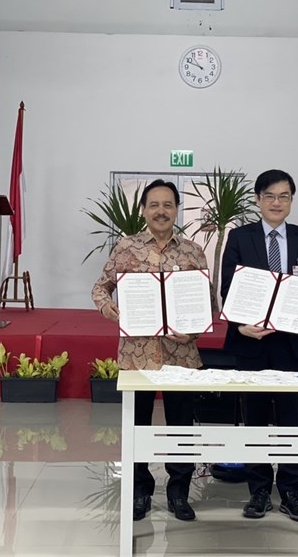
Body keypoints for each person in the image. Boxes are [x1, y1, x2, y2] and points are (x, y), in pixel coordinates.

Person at [91, 179, 208, 523]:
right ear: (143, 210)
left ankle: (179, 492)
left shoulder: (192, 252)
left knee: (181, 427)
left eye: (168, 204)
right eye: (154, 204)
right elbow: (100, 288)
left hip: (181, 356)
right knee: (138, 424)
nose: (161, 211)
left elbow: (206, 303)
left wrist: (196, 329)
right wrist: (112, 310)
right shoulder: (126, 248)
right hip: (136, 355)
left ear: (176, 210)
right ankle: (140, 490)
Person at [220, 169, 298, 523]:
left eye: (284, 196)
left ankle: (292, 490)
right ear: (257, 199)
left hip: (292, 346)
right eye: (269, 196)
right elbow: (227, 291)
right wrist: (240, 325)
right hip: (252, 344)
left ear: (292, 201)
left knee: (293, 421)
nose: (276, 202)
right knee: (256, 419)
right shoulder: (239, 237)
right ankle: (259, 490)